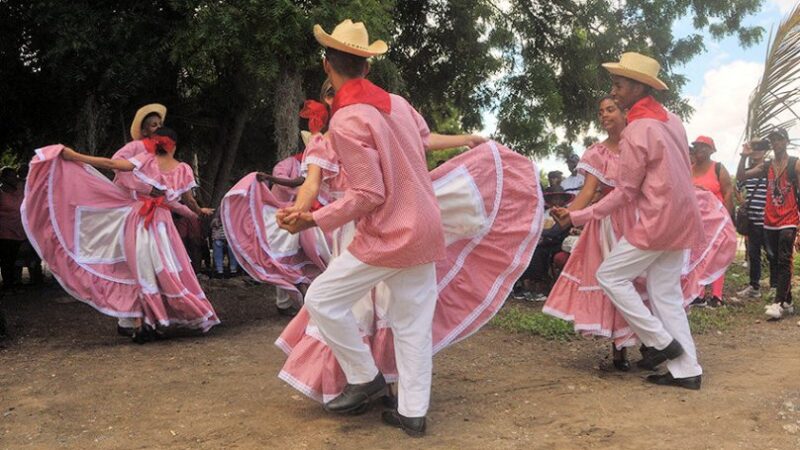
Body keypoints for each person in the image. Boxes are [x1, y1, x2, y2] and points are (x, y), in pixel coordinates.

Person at [274, 19, 534, 436]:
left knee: (322, 298)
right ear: (369, 67)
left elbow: (369, 194)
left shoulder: (346, 121)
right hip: (426, 228)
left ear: (327, 65)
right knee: (412, 322)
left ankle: (363, 375)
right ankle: (412, 413)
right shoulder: (396, 103)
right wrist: (466, 137)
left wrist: (315, 218)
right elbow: (426, 141)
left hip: (386, 235)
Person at [553, 52, 704, 390]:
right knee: (664, 294)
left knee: (610, 275)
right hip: (683, 217)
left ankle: (661, 342)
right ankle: (688, 369)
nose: (614, 91)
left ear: (638, 87)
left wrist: (576, 215)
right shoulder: (673, 120)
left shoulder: (637, 130)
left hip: (657, 221)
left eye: (619, 85)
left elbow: (624, 193)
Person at [22, 127, 219, 342]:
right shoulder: (179, 168)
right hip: (153, 223)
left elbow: (112, 164)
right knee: (157, 271)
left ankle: (143, 322)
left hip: (143, 222)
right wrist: (198, 212)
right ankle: (143, 322)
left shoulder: (150, 161)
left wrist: (74, 156)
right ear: (173, 145)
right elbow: (181, 202)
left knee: (140, 271)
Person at [740, 127, 798, 320]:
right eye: (773, 140)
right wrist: (743, 156)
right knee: (775, 260)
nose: (776, 143)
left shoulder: (795, 164)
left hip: (789, 219)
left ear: (786, 142)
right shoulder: (767, 166)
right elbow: (742, 177)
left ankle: (778, 303)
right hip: (770, 220)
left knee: (784, 259)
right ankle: (788, 300)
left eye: (779, 139)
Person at [690, 135, 733, 307]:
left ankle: (717, 296)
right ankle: (698, 294)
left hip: (716, 222)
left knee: (716, 257)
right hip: (696, 222)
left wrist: (728, 218)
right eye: (697, 146)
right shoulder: (689, 169)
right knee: (697, 257)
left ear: (711, 151)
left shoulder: (718, 168)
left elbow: (728, 192)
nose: (699, 149)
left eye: (703, 147)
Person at [735, 139, 769, 299]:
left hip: (770, 221)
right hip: (753, 220)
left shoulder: (770, 168)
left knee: (773, 255)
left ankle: (776, 288)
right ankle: (754, 287)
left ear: (765, 151)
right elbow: (738, 184)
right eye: (754, 147)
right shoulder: (747, 170)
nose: (756, 151)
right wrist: (742, 201)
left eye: (760, 148)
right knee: (754, 255)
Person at [0, 167, 25, 289]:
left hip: (20, 231)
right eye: (11, 176)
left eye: (15, 175)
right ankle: (8, 284)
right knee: (7, 259)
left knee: (17, 258)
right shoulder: (1, 194)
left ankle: (16, 282)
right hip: (5, 232)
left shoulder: (20, 190)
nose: (15, 178)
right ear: (4, 179)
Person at [210, 210, 240, 278]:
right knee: (232, 253)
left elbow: (214, 233)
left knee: (219, 254)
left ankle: (220, 271)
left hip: (220, 240)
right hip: (228, 241)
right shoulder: (233, 221)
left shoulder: (215, 221)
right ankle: (233, 270)